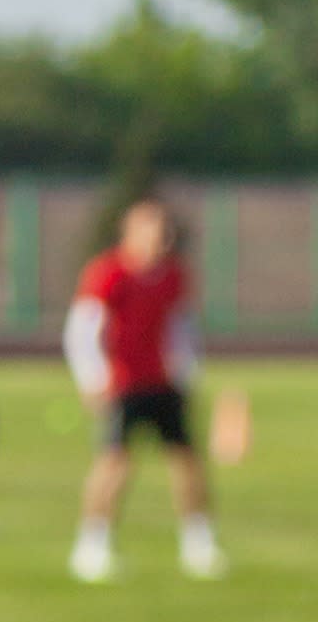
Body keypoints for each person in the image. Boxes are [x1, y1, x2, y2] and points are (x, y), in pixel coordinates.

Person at [66, 193, 224, 583]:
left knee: (187, 462)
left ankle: (198, 542)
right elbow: (82, 329)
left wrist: (188, 369)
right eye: (149, 227)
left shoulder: (172, 274)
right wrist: (92, 376)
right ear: (130, 231)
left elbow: (180, 324)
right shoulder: (108, 272)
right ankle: (92, 544)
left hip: (162, 383)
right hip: (124, 384)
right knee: (114, 464)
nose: (158, 236)